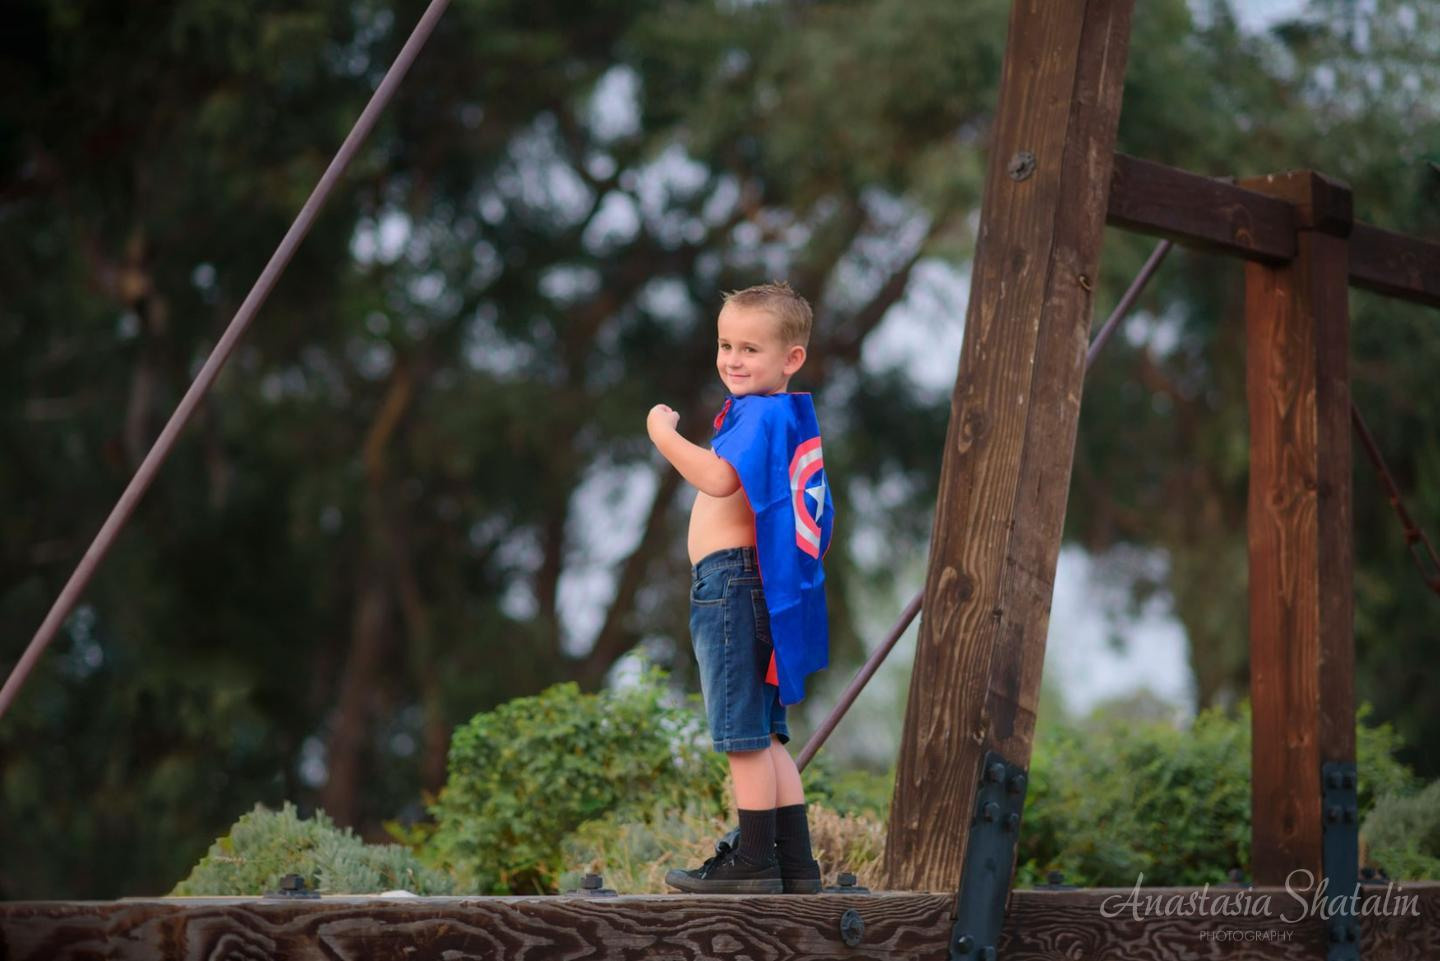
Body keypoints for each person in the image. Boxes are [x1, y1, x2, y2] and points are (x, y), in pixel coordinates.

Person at [646, 281, 834, 895]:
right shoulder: (784, 414)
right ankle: (795, 864)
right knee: (770, 734)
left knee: (742, 737)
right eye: (726, 344)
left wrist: (663, 435)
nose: (732, 358)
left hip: (729, 586)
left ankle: (753, 859)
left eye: (750, 348)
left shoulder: (757, 412)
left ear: (791, 358)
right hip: (755, 588)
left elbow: (719, 478)